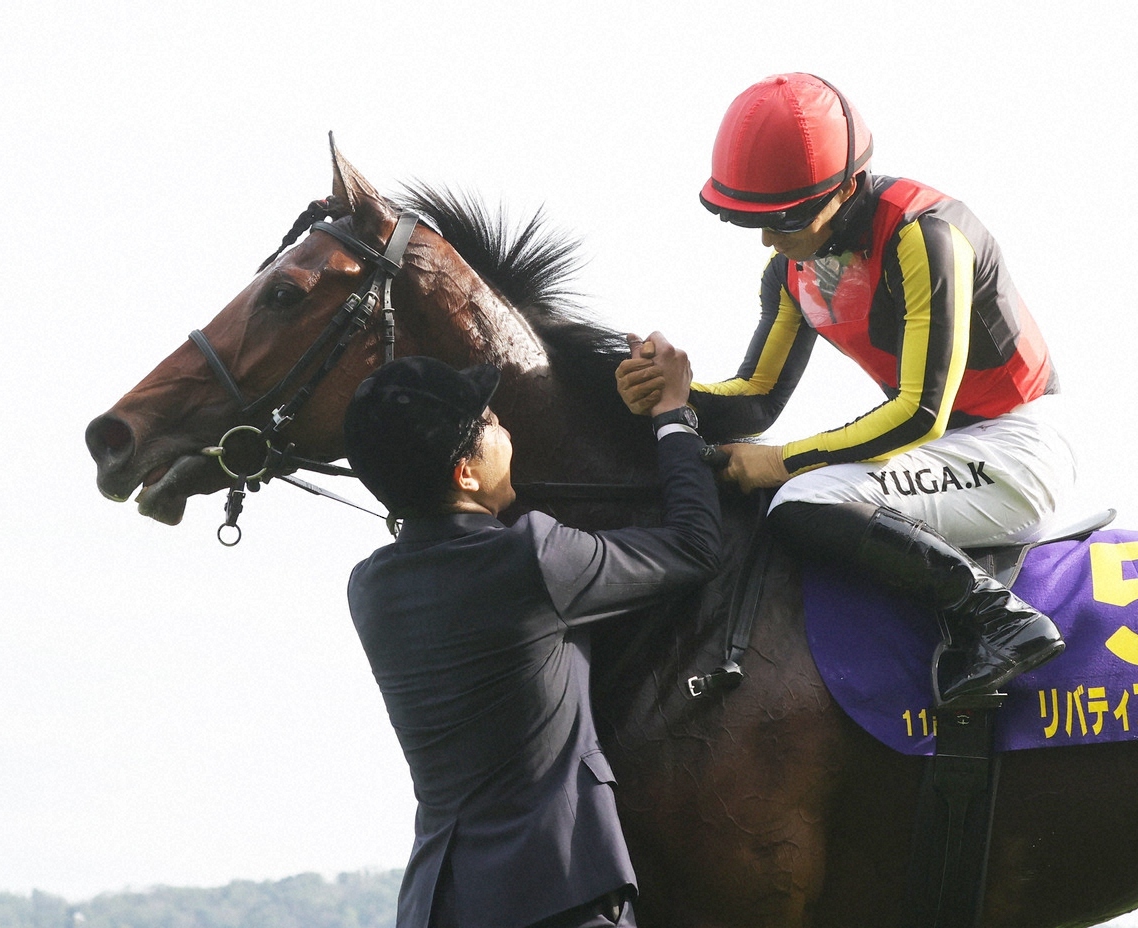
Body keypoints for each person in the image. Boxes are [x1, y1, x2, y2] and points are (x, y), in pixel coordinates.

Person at [616, 72, 1076, 704]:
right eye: (752, 221)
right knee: (787, 488)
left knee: (802, 499)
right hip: (948, 450)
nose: (769, 240)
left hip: (1017, 446)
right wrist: (674, 394)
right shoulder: (789, 270)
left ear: (847, 187)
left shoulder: (925, 235)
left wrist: (780, 461)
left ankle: (1001, 620)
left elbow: (919, 414)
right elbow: (758, 397)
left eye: (785, 219)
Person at [344, 340, 721, 928]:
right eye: (492, 422)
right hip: (556, 892)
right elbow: (694, 546)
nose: (507, 432)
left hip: (438, 904)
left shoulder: (368, 586)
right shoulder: (532, 559)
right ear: (466, 474)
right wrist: (673, 413)